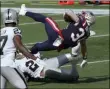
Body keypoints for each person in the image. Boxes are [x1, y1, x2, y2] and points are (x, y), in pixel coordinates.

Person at [19, 4, 96, 67]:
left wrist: (71, 16)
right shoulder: (87, 34)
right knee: (37, 47)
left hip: (57, 36)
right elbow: (83, 46)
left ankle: (24, 12)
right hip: (59, 45)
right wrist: (85, 58)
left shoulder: (80, 20)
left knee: (46, 19)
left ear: (87, 18)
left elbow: (68, 11)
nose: (82, 14)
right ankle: (26, 57)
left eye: (84, 14)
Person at [0, 9, 38, 89]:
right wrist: (33, 57)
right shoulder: (15, 30)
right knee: (23, 87)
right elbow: (19, 46)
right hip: (8, 65)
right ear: (15, 18)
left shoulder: (1, 31)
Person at [14, 53, 81, 82]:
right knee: (74, 77)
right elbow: (26, 78)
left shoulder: (22, 57)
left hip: (47, 62)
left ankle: (75, 63)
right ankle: (74, 65)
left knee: (72, 56)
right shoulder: (17, 65)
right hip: (44, 71)